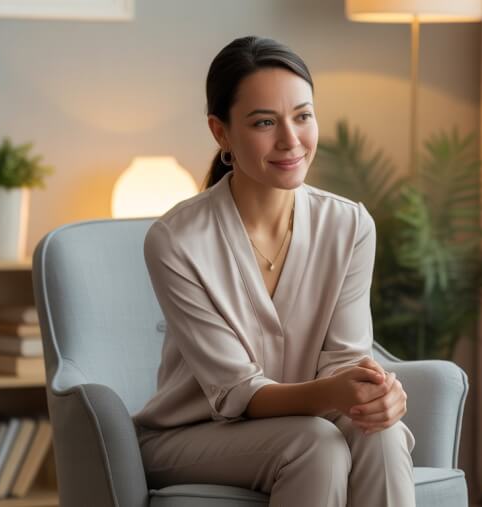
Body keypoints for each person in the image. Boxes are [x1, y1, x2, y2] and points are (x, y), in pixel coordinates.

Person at [132, 36, 415, 507]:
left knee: (381, 432)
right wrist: (338, 393)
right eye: (265, 122)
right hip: (192, 437)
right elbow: (236, 392)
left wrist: (378, 395)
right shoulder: (176, 240)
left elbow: (346, 359)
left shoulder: (349, 225)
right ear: (220, 133)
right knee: (315, 445)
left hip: (308, 424)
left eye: (303, 116)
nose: (291, 140)